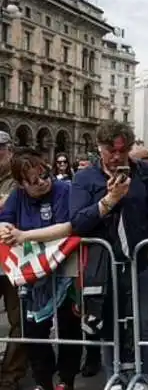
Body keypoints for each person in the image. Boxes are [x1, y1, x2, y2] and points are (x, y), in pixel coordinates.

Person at [69, 121, 148, 385]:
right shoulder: (84, 178)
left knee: (144, 321)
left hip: (143, 259)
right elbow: (76, 222)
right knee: (108, 321)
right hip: (104, 261)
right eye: (111, 150)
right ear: (100, 148)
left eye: (122, 151)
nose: (116, 157)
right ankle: (114, 374)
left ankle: (143, 375)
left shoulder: (145, 173)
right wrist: (110, 200)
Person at [0, 148, 79, 390]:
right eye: (35, 181)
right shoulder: (17, 197)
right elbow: (6, 219)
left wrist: (24, 235)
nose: (43, 183)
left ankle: (66, 380)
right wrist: (4, 228)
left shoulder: (65, 190)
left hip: (66, 270)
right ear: (22, 185)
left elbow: (68, 227)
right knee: (34, 331)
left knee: (69, 329)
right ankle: (43, 381)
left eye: (45, 175)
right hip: (33, 278)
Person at [0, 130, 26, 390]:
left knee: (20, 320)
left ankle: (11, 375)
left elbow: (11, 208)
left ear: (10, 151)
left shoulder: (18, 179)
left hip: (14, 261)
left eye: (0, 149)